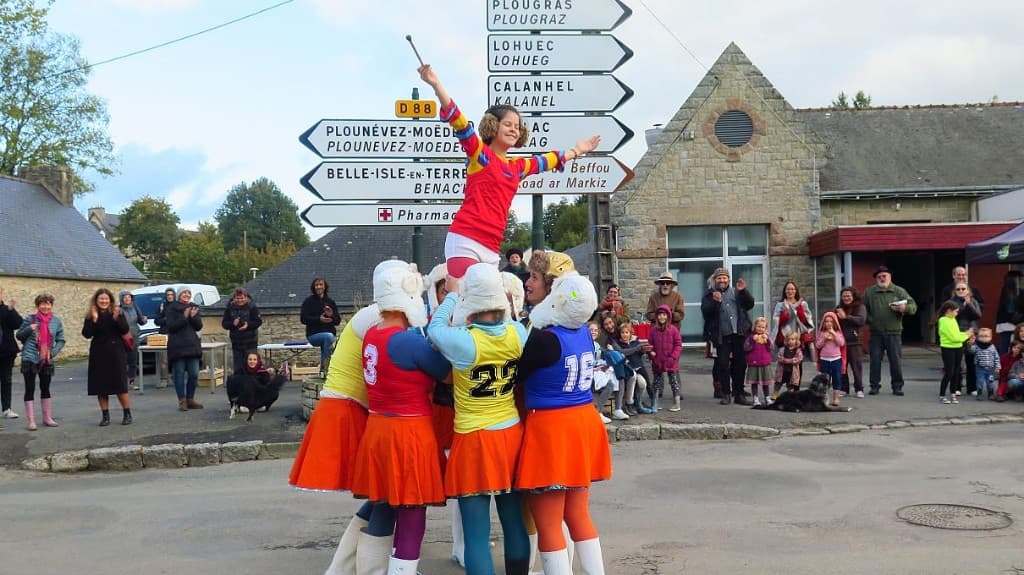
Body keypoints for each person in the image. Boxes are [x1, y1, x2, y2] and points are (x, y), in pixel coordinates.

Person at [418, 62, 600, 280]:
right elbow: (461, 123)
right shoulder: (481, 155)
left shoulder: (517, 167)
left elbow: (546, 161)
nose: (514, 129)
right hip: (465, 240)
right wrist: (437, 85)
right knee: (466, 298)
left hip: (491, 248)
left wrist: (576, 151)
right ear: (492, 125)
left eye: (517, 126)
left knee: (490, 308)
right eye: (508, 125)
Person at [428, 263, 532, 575]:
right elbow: (511, 322)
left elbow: (434, 329)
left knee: (476, 533)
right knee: (514, 523)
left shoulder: (463, 341)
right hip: (510, 433)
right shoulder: (518, 332)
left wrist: (451, 296)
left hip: (473, 439)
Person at [350, 260, 451, 575]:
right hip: (408, 430)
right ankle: (402, 571)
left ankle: (372, 569)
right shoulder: (406, 340)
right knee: (412, 509)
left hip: (379, 426)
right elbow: (445, 374)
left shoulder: (371, 334)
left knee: (384, 503)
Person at [514, 271, 610, 575]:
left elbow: (518, 375)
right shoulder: (583, 331)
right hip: (583, 420)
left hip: (551, 427)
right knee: (579, 514)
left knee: (548, 521)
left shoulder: (544, 339)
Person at [289, 288, 388, 575]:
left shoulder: (371, 315)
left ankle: (342, 569)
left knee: (380, 494)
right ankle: (367, 570)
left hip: (348, 406)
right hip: (348, 408)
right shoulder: (378, 317)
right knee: (384, 495)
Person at [701, 267, 754, 406]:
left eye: (724, 277)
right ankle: (725, 393)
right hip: (721, 335)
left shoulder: (737, 292)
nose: (722, 280)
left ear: (728, 279)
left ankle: (739, 394)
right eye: (719, 278)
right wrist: (715, 302)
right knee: (723, 364)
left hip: (739, 333)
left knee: (740, 364)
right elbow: (706, 313)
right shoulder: (709, 294)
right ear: (715, 280)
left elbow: (750, 304)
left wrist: (744, 291)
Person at [863, 266, 917, 396]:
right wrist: (871, 321)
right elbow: (862, 309)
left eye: (884, 276)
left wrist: (904, 308)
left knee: (895, 361)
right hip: (876, 333)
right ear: (876, 278)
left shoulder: (899, 291)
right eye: (879, 276)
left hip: (894, 332)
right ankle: (874, 386)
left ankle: (897, 386)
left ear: (890, 277)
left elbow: (913, 307)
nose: (882, 278)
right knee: (875, 360)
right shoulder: (869, 292)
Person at [81, 289, 132, 426]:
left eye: (106, 299)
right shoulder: (91, 315)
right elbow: (86, 334)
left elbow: (124, 330)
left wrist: (116, 318)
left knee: (120, 385)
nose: (104, 301)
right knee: (101, 387)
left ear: (110, 300)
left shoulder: (117, 312)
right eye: (101, 299)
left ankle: (127, 414)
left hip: (116, 352)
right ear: (96, 301)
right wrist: (95, 319)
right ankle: (105, 416)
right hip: (99, 353)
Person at [16, 293, 65, 429]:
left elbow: (61, 340)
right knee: (29, 388)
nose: (45, 306)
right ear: (38, 305)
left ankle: (47, 418)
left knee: (45, 388)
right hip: (30, 357)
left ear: (51, 305)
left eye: (48, 303)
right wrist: (28, 329)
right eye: (42, 303)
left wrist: (53, 352)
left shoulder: (56, 321)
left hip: (46, 359)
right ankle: (31, 421)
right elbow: (19, 335)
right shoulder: (30, 319)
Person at [166, 288, 204, 411]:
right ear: (179, 295)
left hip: (192, 345)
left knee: (194, 373)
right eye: (184, 293)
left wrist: (193, 317)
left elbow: (198, 327)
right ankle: (182, 400)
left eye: (188, 293)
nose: (186, 295)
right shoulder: (172, 308)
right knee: (179, 374)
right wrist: (184, 317)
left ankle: (190, 399)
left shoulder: (193, 307)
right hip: (178, 346)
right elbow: (171, 327)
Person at [608, 321, 654, 415]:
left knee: (642, 383)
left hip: (638, 368)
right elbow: (623, 352)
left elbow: (639, 354)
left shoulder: (635, 341)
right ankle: (629, 403)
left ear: (630, 333)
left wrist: (644, 351)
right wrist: (637, 349)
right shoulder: (618, 343)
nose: (624, 335)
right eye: (622, 333)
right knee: (633, 376)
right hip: (627, 369)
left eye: (626, 332)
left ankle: (638, 403)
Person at [300, 277, 341, 374]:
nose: (318, 287)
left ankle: (324, 371)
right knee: (329, 337)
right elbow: (303, 319)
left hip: (329, 334)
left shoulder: (330, 302)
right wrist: (319, 319)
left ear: (325, 286)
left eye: (321, 285)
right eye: (316, 285)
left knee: (329, 341)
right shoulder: (308, 301)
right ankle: (326, 367)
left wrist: (331, 316)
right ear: (313, 287)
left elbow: (337, 321)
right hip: (313, 334)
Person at [648, 304, 683, 412]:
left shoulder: (673, 330)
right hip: (657, 361)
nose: (662, 317)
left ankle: (676, 403)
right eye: (659, 315)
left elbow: (678, 344)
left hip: (671, 361)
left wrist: (673, 357)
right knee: (656, 383)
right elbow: (650, 345)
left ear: (668, 316)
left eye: (664, 315)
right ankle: (655, 402)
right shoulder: (653, 330)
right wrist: (651, 354)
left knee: (674, 382)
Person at [770, 281, 815, 361]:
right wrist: (786, 312)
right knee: (784, 365)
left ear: (796, 291)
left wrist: (798, 307)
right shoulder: (780, 305)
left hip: (799, 338)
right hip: (784, 339)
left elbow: (806, 321)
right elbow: (777, 323)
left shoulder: (803, 304)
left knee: (798, 365)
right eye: (788, 289)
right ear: (785, 291)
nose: (790, 291)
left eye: (792, 289)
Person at [221, 287, 262, 374]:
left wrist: (248, 325)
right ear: (234, 298)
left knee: (251, 367)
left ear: (246, 298)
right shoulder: (229, 308)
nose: (240, 300)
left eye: (242, 298)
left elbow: (258, 322)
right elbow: (224, 324)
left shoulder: (252, 307)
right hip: (237, 344)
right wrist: (233, 324)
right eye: (238, 298)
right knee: (239, 369)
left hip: (251, 343)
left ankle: (252, 386)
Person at [937, 300, 971, 404]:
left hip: (958, 347)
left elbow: (956, 334)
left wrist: (964, 334)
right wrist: (966, 335)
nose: (957, 313)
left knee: (957, 371)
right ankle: (942, 395)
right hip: (948, 348)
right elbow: (953, 337)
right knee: (949, 371)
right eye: (955, 311)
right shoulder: (943, 320)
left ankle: (953, 393)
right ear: (949, 311)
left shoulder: (953, 319)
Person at [951, 282, 982, 396]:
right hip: (957, 333)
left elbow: (977, 315)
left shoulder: (973, 301)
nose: (961, 290)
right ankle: (956, 387)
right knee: (957, 362)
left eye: (963, 288)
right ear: (955, 291)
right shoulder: (951, 302)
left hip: (971, 333)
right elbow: (953, 316)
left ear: (967, 290)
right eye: (958, 289)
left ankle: (972, 387)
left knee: (971, 361)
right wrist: (963, 306)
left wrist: (969, 304)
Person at [835, 286, 867, 398]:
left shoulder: (860, 307)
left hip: (855, 342)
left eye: (848, 296)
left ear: (853, 296)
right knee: (842, 367)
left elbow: (861, 320)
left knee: (856, 367)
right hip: (841, 342)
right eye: (844, 296)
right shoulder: (839, 307)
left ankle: (859, 389)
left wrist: (846, 317)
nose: (846, 298)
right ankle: (844, 389)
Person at [815, 312, 847, 407]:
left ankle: (836, 398)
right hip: (824, 359)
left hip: (836, 359)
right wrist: (824, 339)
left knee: (837, 378)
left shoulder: (838, 333)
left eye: (831, 321)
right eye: (826, 321)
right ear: (823, 323)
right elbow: (817, 345)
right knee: (825, 379)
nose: (828, 323)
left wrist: (834, 334)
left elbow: (841, 343)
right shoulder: (821, 333)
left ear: (835, 323)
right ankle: (824, 397)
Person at [0, 289, 22, 420]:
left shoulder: (7, 309)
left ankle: (7, 409)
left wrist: (11, 310)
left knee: (6, 380)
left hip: (6, 351)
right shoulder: (4, 310)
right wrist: (6, 310)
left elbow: (18, 323)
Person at [118, 291, 146, 390]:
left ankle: (131, 382)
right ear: (121, 299)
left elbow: (140, 321)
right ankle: (121, 382)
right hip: (122, 338)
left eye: (129, 297)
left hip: (134, 337)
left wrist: (143, 320)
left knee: (133, 360)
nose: (127, 299)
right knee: (122, 361)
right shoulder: (118, 309)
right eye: (125, 297)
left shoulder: (135, 307)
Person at [744, 317, 774, 407]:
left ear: (765, 328)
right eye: (758, 327)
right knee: (754, 382)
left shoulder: (767, 337)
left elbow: (771, 348)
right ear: (754, 327)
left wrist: (767, 340)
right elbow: (746, 348)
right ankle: (755, 398)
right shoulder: (750, 337)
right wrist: (753, 340)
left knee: (766, 382)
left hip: (765, 363)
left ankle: (767, 397)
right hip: (754, 363)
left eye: (763, 327)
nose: (760, 329)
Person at [995, 271, 1023, 355]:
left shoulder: (1007, 289)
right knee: (1013, 345)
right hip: (1012, 322)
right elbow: (1010, 309)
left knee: (1006, 345)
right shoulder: (1012, 291)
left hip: (1005, 322)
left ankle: (1004, 364)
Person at [971, 328, 1001, 401]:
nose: (984, 338)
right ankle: (979, 394)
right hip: (980, 368)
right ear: (978, 337)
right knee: (980, 381)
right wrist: (971, 343)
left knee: (990, 382)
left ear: (990, 337)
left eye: (986, 336)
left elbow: (996, 357)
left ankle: (990, 394)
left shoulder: (992, 347)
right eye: (981, 336)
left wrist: (997, 367)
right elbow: (971, 351)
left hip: (990, 369)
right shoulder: (976, 346)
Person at [773, 332, 803, 397]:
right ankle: (775, 393)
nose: (790, 341)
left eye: (792, 339)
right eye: (789, 339)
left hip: (792, 372)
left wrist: (790, 360)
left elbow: (799, 359)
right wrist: (784, 360)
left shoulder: (798, 351)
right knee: (778, 383)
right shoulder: (782, 349)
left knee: (790, 384)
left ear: (796, 341)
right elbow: (779, 357)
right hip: (782, 371)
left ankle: (790, 395)